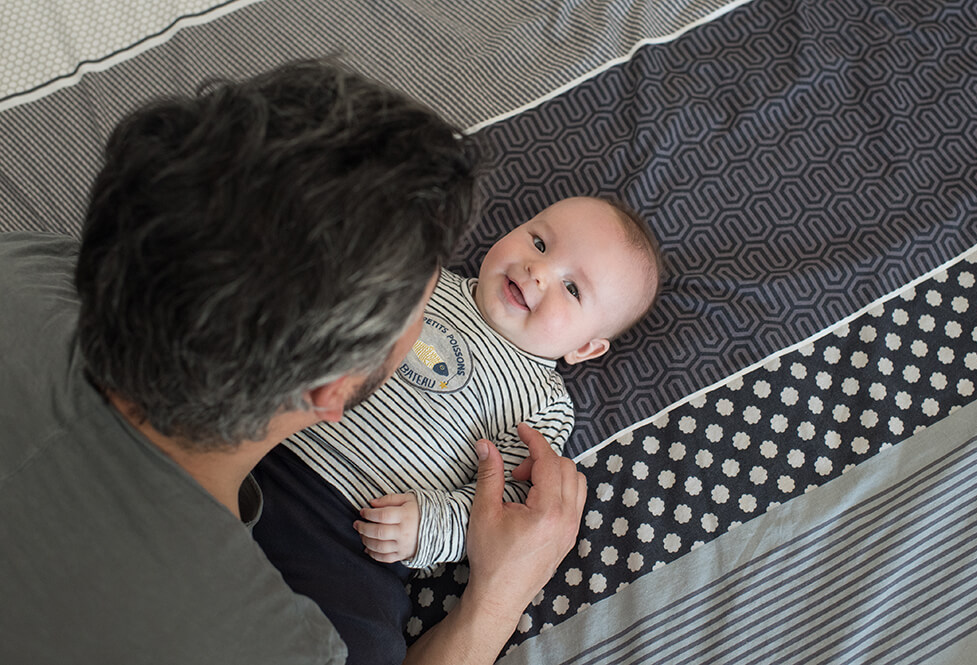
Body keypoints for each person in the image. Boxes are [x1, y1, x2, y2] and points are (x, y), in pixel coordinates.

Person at [0, 59, 586, 665]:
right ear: (333, 389)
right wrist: (498, 597)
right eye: (422, 297)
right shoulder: (288, 644)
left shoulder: (17, 268)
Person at [258, 196, 660, 582]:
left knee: (371, 635)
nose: (538, 270)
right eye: (539, 243)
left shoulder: (543, 402)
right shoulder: (428, 279)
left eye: (572, 288)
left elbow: (505, 501)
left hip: (358, 528)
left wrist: (429, 526)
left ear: (585, 348)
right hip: (275, 448)